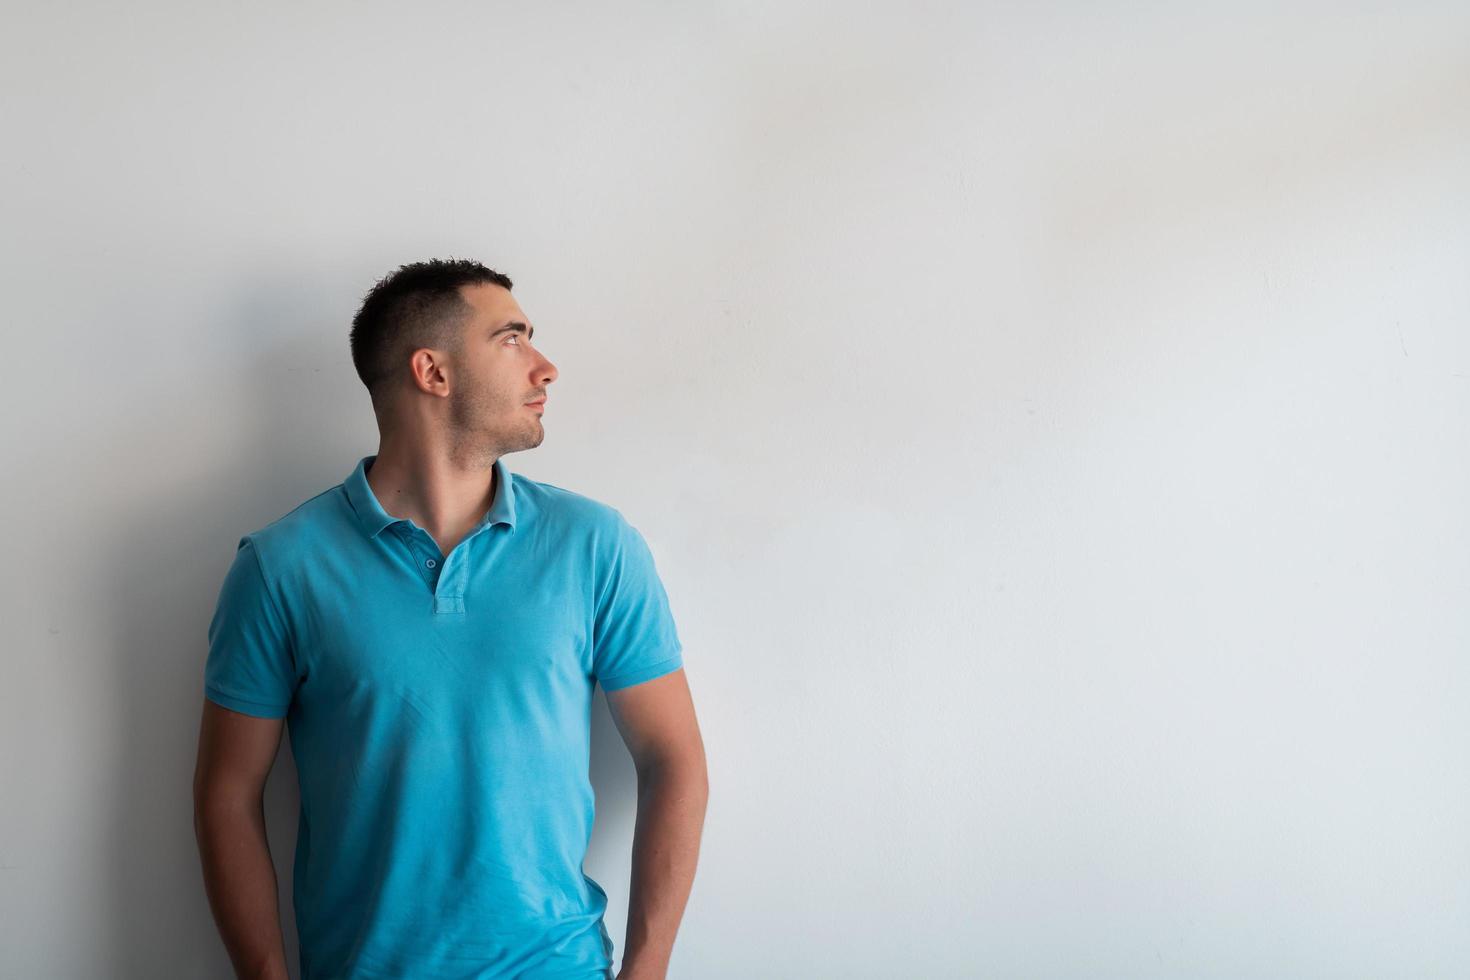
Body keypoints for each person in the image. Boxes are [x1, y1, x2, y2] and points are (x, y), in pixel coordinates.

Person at [191, 258, 709, 980]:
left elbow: (673, 759)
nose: (546, 367)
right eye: (512, 339)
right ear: (432, 372)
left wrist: (647, 970)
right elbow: (228, 793)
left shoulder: (595, 546)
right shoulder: (282, 568)